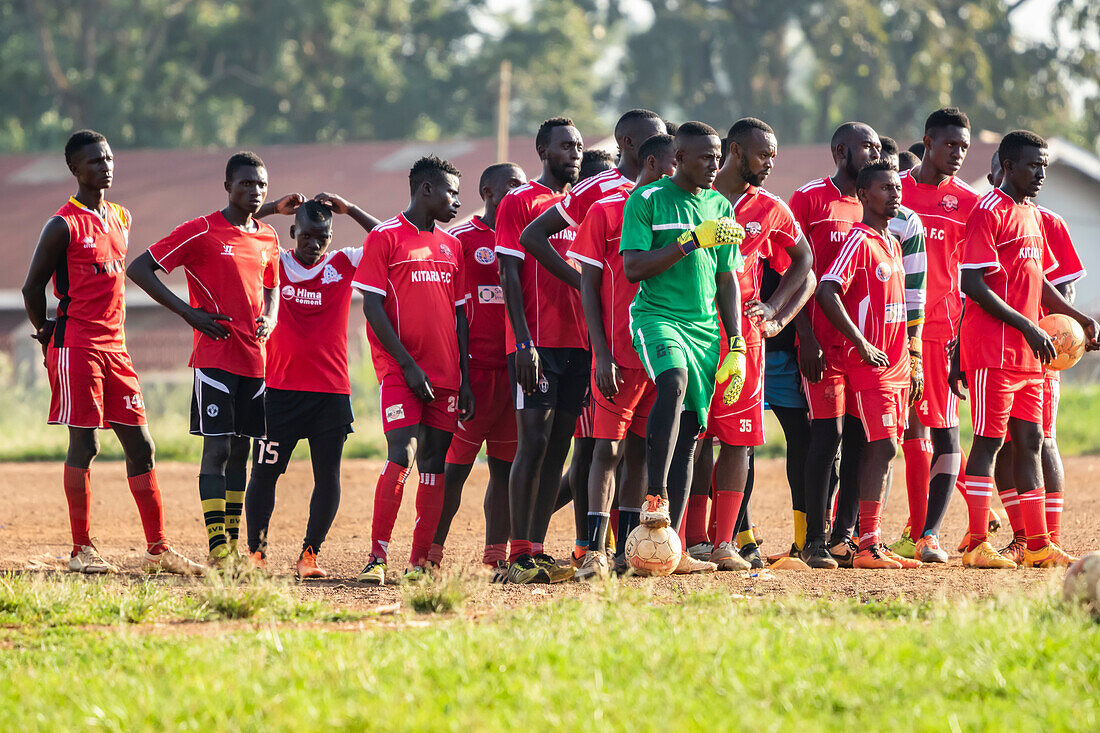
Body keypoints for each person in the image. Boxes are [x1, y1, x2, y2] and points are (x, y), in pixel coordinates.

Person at [22, 129, 201, 575]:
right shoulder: (62, 224)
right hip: (76, 345)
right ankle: (81, 550)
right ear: (74, 169)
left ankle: (158, 551)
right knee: (86, 442)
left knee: (142, 445)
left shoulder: (121, 216)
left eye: (108, 157)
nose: (105, 166)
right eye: (95, 161)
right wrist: (45, 330)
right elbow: (31, 287)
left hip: (116, 349)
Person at [521, 109, 665, 566]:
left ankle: (614, 547)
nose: (659, 149)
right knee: (590, 448)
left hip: (653, 343)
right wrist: (587, 285)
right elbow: (534, 236)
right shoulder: (599, 193)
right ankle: (573, 546)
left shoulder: (668, 198)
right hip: (600, 344)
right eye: (650, 141)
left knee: (632, 449)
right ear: (626, 142)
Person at [128, 151, 284, 567]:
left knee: (241, 452)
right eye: (246, 183)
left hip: (256, 362)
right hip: (215, 359)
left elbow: (272, 287)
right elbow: (140, 268)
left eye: (261, 185)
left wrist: (269, 316)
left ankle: (232, 549)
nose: (254, 190)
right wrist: (189, 313)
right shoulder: (201, 231)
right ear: (228, 186)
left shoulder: (268, 236)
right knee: (216, 449)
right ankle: (217, 548)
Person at [954, 130, 1098, 569]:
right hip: (994, 354)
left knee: (1031, 440)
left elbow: (1040, 282)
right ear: (1008, 165)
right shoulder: (988, 211)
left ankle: (1037, 544)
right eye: (1032, 165)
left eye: (1044, 166)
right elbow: (972, 283)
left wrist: (1080, 321)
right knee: (988, 443)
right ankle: (978, 543)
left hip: (1031, 356)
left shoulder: (1032, 215)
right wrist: (1026, 325)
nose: (1040, 173)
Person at [620, 121, 748, 575]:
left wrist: (736, 343)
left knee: (692, 432)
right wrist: (689, 240)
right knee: (671, 384)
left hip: (706, 330)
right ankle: (654, 497)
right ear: (678, 158)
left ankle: (672, 546)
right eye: (704, 157)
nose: (714, 165)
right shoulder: (647, 200)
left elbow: (726, 278)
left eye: (718, 158)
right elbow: (633, 267)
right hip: (657, 317)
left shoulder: (720, 206)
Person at [351, 156, 473, 585]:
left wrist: (467, 380)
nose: (457, 201)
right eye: (451, 192)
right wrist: (407, 365)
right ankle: (376, 558)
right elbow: (371, 305)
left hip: (447, 376)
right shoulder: (385, 237)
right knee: (400, 455)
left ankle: (421, 561)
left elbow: (460, 318)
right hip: (400, 371)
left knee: (434, 463)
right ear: (425, 190)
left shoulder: (453, 246)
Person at [243, 194, 379, 578]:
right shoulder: (274, 259)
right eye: (306, 236)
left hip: (330, 395)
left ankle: (309, 555)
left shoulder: (344, 263)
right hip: (278, 393)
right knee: (265, 474)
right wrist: (271, 208)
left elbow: (387, 235)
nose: (314, 244)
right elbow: (238, 225)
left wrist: (350, 208)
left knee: (328, 477)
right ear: (293, 232)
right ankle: (257, 554)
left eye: (322, 237)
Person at [704, 118, 815, 571]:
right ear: (734, 150)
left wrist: (776, 312)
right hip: (690, 329)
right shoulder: (697, 196)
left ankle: (724, 542)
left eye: (773, 155)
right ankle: (690, 539)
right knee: (692, 438)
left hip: (744, 341)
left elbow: (805, 264)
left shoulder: (770, 208)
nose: (771, 163)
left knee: (737, 440)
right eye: (763, 154)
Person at [566, 132, 677, 579]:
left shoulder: (682, 217)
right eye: (674, 166)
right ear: (652, 164)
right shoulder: (607, 209)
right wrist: (601, 352)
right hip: (618, 352)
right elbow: (588, 286)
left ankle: (628, 551)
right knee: (605, 451)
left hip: (663, 354)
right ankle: (591, 551)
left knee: (642, 454)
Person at [885, 108, 983, 564]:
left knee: (944, 432)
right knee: (899, 433)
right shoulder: (890, 189)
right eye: (950, 145)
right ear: (927, 141)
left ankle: (929, 534)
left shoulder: (969, 202)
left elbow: (974, 276)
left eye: (964, 147)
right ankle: (871, 533)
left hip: (940, 332)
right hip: (885, 329)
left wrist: (963, 340)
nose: (958, 154)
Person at [816, 160, 923, 569]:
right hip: (870, 366)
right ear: (863, 195)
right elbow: (828, 290)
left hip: (896, 365)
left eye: (898, 188)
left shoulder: (892, 242)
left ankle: (867, 541)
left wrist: (910, 358)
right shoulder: (858, 241)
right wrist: (860, 343)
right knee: (884, 446)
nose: (896, 194)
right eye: (886, 189)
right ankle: (867, 545)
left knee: (882, 449)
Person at [495, 117, 587, 584]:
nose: (573, 153)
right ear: (542, 150)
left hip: (580, 341)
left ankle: (538, 547)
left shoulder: (582, 202)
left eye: (578, 146)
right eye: (565, 146)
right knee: (531, 443)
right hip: (537, 343)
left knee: (558, 450)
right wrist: (523, 342)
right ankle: (515, 556)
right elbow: (508, 276)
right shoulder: (519, 202)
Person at [984, 150, 1087, 563]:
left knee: (1041, 439)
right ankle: (1025, 536)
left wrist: (1063, 331)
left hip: (1041, 351)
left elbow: (1062, 288)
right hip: (998, 348)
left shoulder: (1048, 221)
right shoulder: (992, 214)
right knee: (1003, 443)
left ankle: (1051, 537)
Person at [788, 122, 881, 569]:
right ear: (841, 149)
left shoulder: (876, 205)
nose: (874, 151)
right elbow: (792, 271)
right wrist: (804, 335)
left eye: (878, 146)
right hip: (821, 343)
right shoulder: (809, 198)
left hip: (864, 348)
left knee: (862, 439)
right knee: (826, 438)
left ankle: (845, 536)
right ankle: (812, 541)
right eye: (867, 145)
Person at [429, 163, 527, 577]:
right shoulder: (461, 239)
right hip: (473, 373)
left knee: (504, 469)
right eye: (513, 185)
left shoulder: (528, 236)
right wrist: (457, 372)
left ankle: (495, 556)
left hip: (514, 371)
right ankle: (430, 553)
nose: (521, 192)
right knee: (455, 471)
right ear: (488, 192)